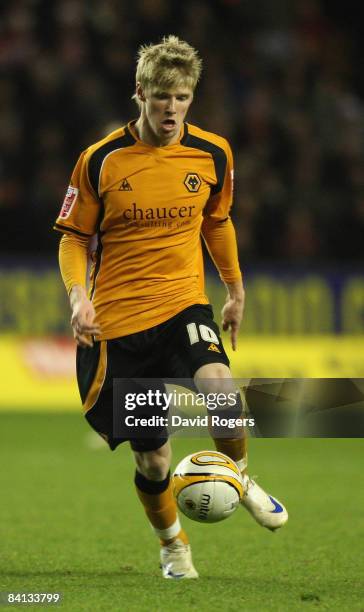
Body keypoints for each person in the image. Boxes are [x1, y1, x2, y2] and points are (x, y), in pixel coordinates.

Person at [54, 35, 288, 579]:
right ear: (141, 93)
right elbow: (71, 237)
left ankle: (241, 477)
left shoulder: (212, 153)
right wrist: (78, 297)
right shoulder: (100, 161)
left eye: (182, 97)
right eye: (162, 96)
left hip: (183, 303)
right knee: (153, 459)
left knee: (222, 392)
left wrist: (234, 289)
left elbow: (217, 219)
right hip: (119, 324)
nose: (172, 109)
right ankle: (173, 545)